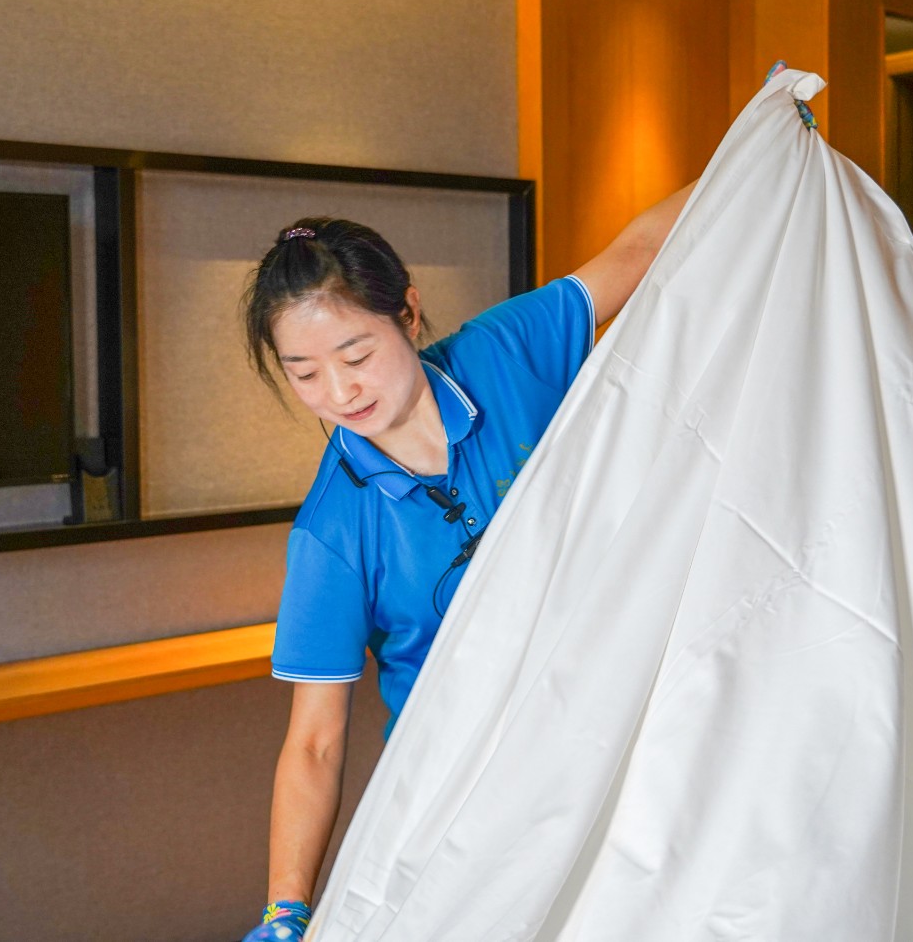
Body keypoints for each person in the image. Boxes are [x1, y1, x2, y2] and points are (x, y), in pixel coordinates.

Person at [238, 185, 694, 942]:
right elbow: (315, 742)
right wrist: (285, 908)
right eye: (304, 373)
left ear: (409, 315)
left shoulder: (504, 353)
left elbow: (639, 251)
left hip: (618, 728)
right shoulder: (333, 530)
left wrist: (763, 142)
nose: (340, 392)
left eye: (357, 355)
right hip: (466, 794)